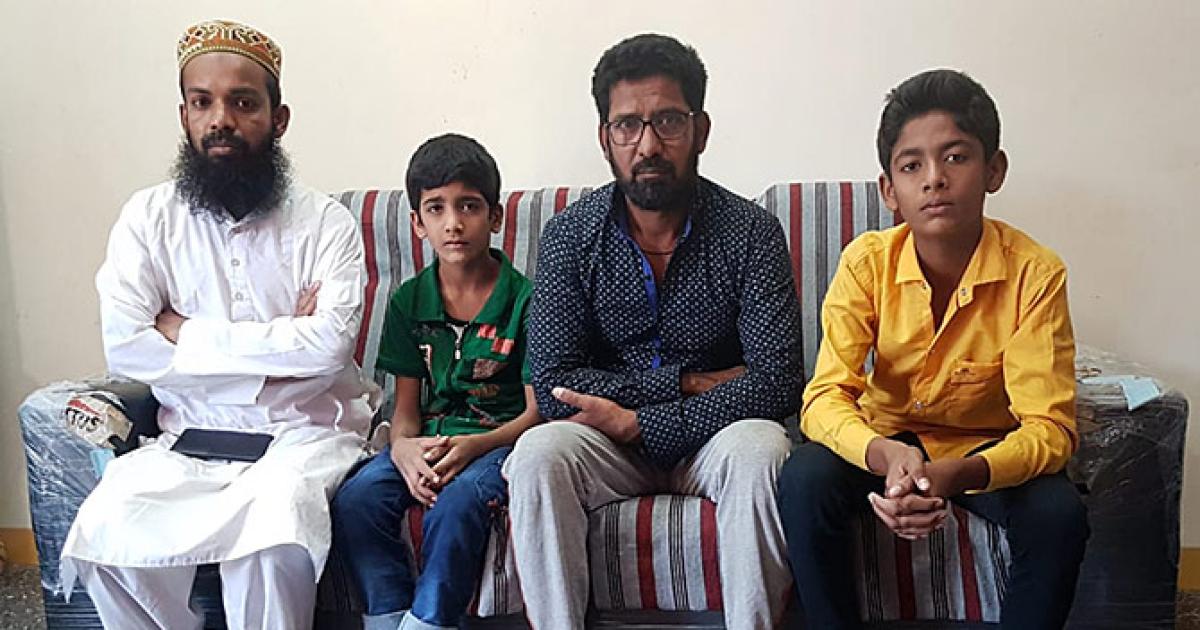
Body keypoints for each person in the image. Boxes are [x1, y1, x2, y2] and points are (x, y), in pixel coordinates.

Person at [59, 20, 372, 630]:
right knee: (106, 532)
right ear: (184, 116)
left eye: (243, 103)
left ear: (279, 119)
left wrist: (185, 331)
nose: (220, 119)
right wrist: (281, 346)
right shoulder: (147, 218)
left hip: (300, 434)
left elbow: (328, 348)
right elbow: (127, 349)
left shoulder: (325, 223)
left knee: (272, 538)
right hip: (188, 438)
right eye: (202, 103)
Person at [502, 33, 803, 629]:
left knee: (763, 449)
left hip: (716, 438)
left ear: (701, 130)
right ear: (604, 138)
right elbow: (555, 383)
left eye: (668, 121)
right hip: (608, 445)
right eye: (627, 125)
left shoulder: (751, 232)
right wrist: (688, 383)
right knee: (538, 453)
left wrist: (642, 418)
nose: (648, 145)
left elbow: (777, 382)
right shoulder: (570, 237)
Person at [777, 69, 1088, 629]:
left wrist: (956, 474)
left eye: (956, 158)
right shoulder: (866, 263)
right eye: (912, 166)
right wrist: (884, 455)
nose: (935, 180)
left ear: (994, 170)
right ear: (889, 190)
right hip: (888, 437)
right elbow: (824, 398)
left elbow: (1050, 429)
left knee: (1058, 513)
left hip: (983, 445)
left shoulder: (1035, 273)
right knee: (805, 479)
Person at [331, 134, 539, 630]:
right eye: (436, 208)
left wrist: (474, 446)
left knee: (458, 504)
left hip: (499, 443)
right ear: (417, 223)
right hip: (430, 441)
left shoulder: (525, 300)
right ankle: (389, 617)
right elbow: (406, 411)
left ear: (495, 217)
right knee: (357, 501)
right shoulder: (409, 302)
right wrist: (403, 449)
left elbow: (537, 414)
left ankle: (431, 620)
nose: (453, 223)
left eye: (469, 206)